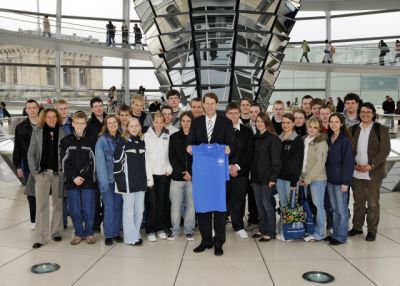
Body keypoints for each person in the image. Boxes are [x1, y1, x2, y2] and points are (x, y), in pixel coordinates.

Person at [187, 92, 234, 256]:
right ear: (203, 105)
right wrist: (190, 147)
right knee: (203, 207)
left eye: (212, 103)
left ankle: (218, 242)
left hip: (217, 173)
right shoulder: (197, 122)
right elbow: (190, 141)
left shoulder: (226, 122)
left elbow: (231, 142)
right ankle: (206, 240)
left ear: (216, 104)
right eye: (206, 103)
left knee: (219, 209)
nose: (209, 106)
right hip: (202, 173)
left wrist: (228, 148)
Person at [348, 102, 390, 242]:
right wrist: (354, 165)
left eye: (368, 112)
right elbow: (349, 150)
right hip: (356, 172)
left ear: (373, 114)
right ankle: (357, 227)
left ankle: (372, 230)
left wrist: (371, 165)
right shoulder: (353, 129)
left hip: (373, 172)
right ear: (359, 114)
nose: (365, 114)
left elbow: (384, 151)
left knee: (372, 203)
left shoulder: (381, 129)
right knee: (358, 202)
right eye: (363, 112)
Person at [28, 108, 66, 248]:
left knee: (57, 204)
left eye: (54, 117)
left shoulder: (62, 132)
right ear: (44, 118)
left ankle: (56, 232)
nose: (51, 119)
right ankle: (40, 236)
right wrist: (34, 172)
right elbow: (31, 153)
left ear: (57, 118)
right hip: (42, 174)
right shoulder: (37, 132)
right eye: (48, 117)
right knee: (42, 206)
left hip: (58, 174)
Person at [114, 117, 153, 246]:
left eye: (137, 125)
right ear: (127, 128)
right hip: (127, 183)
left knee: (139, 210)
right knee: (128, 211)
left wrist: (148, 180)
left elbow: (147, 163)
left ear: (140, 127)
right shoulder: (123, 141)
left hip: (141, 182)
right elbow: (116, 163)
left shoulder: (142, 141)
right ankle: (130, 238)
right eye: (131, 126)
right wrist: (120, 182)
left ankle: (136, 234)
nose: (134, 128)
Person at [60, 111, 97, 245]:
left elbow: (93, 161)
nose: (80, 126)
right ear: (73, 124)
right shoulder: (66, 141)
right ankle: (78, 233)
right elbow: (64, 162)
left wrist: (82, 175)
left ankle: (89, 233)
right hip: (72, 181)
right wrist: (74, 176)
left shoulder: (93, 139)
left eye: (82, 123)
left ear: (86, 124)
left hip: (88, 181)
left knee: (88, 209)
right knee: (75, 209)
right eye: (77, 123)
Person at [325, 113, 355, 245]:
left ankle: (341, 236)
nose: (333, 124)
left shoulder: (345, 141)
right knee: (334, 209)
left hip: (340, 182)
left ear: (342, 124)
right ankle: (336, 233)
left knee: (342, 210)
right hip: (330, 180)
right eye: (331, 121)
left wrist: (346, 182)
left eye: (336, 122)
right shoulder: (329, 138)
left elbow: (348, 163)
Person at [251, 112, 281, 242]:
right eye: (257, 121)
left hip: (267, 178)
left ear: (267, 122)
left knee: (267, 204)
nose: (259, 123)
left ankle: (270, 231)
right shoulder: (256, 137)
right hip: (256, 177)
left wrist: (272, 179)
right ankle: (262, 229)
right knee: (259, 205)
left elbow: (276, 161)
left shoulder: (273, 138)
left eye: (262, 121)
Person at [225, 103, 254, 239]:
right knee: (222, 199)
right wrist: (227, 167)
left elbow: (249, 152)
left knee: (239, 199)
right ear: (226, 115)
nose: (233, 116)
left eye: (236, 113)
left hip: (240, 172)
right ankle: (220, 225)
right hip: (222, 171)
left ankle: (238, 226)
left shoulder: (247, 131)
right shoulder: (219, 131)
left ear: (240, 114)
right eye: (230, 113)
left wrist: (236, 167)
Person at [144, 112, 173, 242]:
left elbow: (169, 155)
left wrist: (169, 168)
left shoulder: (168, 135)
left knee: (162, 203)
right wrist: (148, 177)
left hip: (164, 175)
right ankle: (150, 230)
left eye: (161, 122)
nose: (159, 124)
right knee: (152, 203)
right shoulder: (146, 136)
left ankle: (160, 228)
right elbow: (145, 158)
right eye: (157, 122)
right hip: (151, 175)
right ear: (152, 122)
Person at [95, 115, 123, 246]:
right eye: (109, 123)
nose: (112, 125)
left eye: (114, 123)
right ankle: (109, 234)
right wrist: (104, 184)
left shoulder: (123, 138)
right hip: (108, 181)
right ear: (106, 125)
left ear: (118, 124)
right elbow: (100, 164)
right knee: (109, 207)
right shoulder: (102, 141)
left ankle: (117, 232)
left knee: (118, 206)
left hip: (121, 181)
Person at [167, 111, 195, 241]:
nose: (186, 124)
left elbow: (198, 158)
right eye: (183, 121)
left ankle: (189, 230)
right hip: (177, 178)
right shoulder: (174, 137)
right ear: (180, 122)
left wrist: (191, 173)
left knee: (191, 205)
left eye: (188, 121)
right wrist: (182, 173)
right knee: (175, 206)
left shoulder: (197, 138)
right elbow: (172, 157)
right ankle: (175, 230)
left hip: (192, 178)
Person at [12, 99, 40, 230]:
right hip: (29, 165)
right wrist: (18, 165)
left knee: (46, 193)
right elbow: (17, 148)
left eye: (34, 107)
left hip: (45, 164)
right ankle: (34, 220)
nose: (32, 110)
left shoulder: (45, 125)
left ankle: (45, 218)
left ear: (38, 108)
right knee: (32, 194)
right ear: (26, 109)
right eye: (29, 107)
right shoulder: (20, 127)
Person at [276, 113, 303, 240]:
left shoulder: (297, 140)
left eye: (288, 122)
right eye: (283, 123)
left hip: (290, 180)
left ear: (293, 123)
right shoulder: (279, 138)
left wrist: (294, 181)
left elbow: (297, 162)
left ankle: (291, 232)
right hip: (279, 178)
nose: (285, 125)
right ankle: (283, 229)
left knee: (291, 207)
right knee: (283, 205)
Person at [300, 117, 328, 242]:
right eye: (310, 126)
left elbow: (320, 163)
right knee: (309, 206)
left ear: (319, 129)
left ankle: (320, 233)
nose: (312, 129)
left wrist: (308, 177)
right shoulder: (304, 140)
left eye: (315, 127)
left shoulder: (321, 142)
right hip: (305, 178)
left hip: (317, 179)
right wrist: (302, 176)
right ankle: (311, 229)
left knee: (319, 206)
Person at [86, 97, 107, 232]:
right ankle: (95, 222)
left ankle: (107, 220)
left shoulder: (110, 120)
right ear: (92, 109)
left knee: (107, 195)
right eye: (96, 106)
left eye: (101, 105)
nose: (99, 108)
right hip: (94, 164)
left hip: (109, 163)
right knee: (95, 196)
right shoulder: (88, 124)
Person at [54, 99, 73, 229]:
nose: (64, 111)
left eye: (65, 108)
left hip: (73, 164)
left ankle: (75, 218)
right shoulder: (52, 125)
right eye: (61, 109)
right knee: (60, 196)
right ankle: (62, 222)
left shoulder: (74, 123)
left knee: (72, 194)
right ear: (56, 110)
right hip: (58, 165)